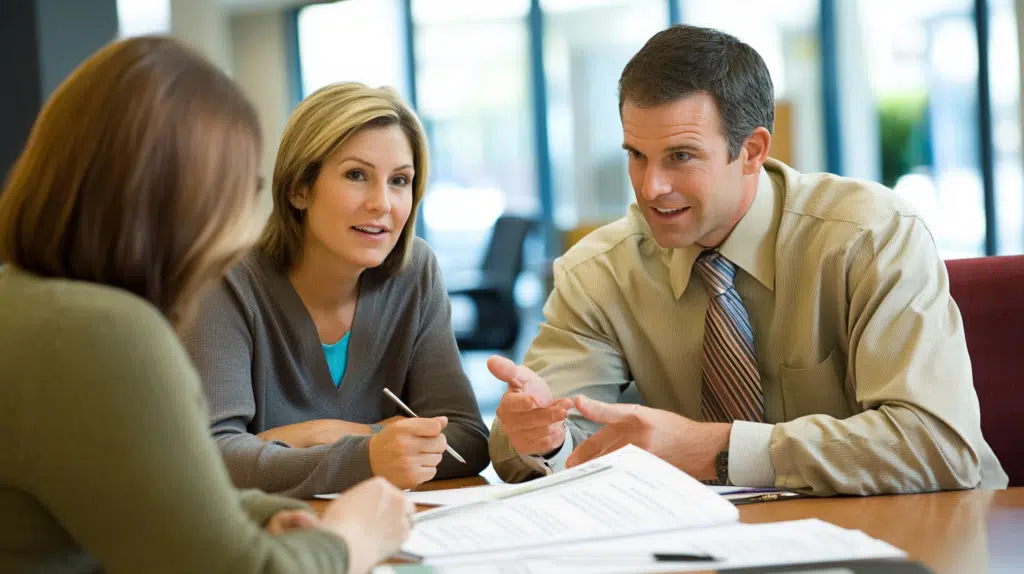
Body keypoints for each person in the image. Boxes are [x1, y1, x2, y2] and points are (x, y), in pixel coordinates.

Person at [488, 25, 1008, 495]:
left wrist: (717, 447)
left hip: (926, 538)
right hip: (719, 548)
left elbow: (938, 445)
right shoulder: (598, 272)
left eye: (681, 156)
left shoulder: (869, 236)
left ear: (753, 151)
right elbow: (535, 442)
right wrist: (542, 438)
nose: (651, 187)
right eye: (636, 155)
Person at [0, 36, 415, 574]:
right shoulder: (102, 332)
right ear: (178, 197)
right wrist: (350, 538)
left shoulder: (28, 303)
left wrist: (260, 513)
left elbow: (140, 489)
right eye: (237, 190)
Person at [183, 82, 489, 499]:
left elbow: (466, 439)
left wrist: (327, 434)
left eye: (399, 180)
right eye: (357, 175)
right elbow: (212, 458)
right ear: (299, 189)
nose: (382, 203)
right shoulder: (227, 280)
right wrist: (367, 455)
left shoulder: (416, 271)